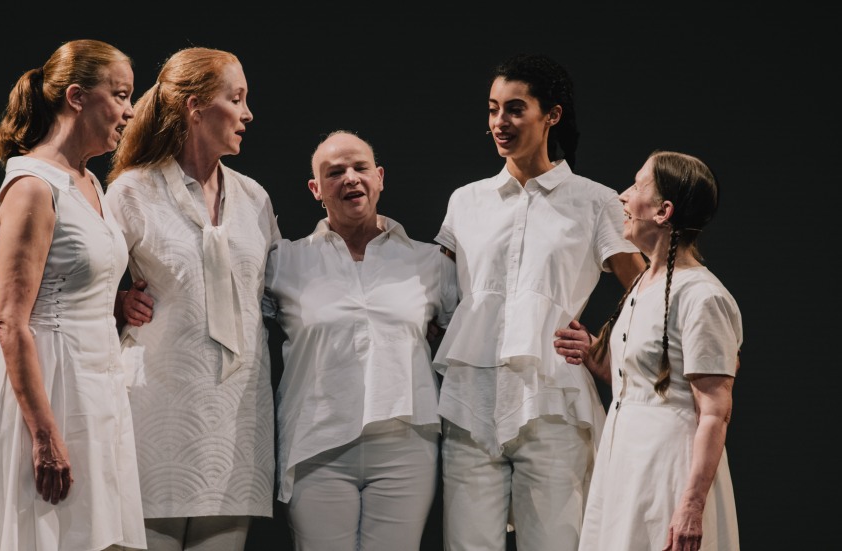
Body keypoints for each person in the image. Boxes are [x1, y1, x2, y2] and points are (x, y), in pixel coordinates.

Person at [433, 52, 647, 550]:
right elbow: (436, 292)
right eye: (492, 109)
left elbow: (645, 290)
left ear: (551, 115)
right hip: (471, 400)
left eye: (514, 109)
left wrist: (602, 349)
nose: (499, 122)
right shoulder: (467, 200)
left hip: (551, 403)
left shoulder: (594, 201)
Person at [0, 39, 146, 551]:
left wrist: (115, 304)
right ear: (77, 97)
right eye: (120, 95)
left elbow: (76, 277)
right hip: (48, 392)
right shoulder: (34, 186)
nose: (128, 110)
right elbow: (10, 320)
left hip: (96, 388)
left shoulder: (89, 183)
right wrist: (43, 435)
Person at [103, 47, 279, 551]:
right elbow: (87, 282)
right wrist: (118, 303)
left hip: (236, 413)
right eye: (237, 99)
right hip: (153, 407)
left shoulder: (255, 199)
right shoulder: (132, 191)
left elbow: (275, 291)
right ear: (196, 107)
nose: (247, 114)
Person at [261, 130, 458, 550]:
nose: (350, 178)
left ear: (380, 177)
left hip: (405, 443)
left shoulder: (428, 262)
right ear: (316, 189)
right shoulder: (285, 262)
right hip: (317, 445)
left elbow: (468, 324)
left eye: (360, 168)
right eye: (335, 172)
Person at [554, 150, 742, 550]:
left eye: (637, 186)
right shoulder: (644, 284)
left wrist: (690, 504)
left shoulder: (702, 297)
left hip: (668, 469)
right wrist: (593, 353)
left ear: (663, 211)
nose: (623, 196)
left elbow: (714, 411)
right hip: (625, 463)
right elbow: (640, 382)